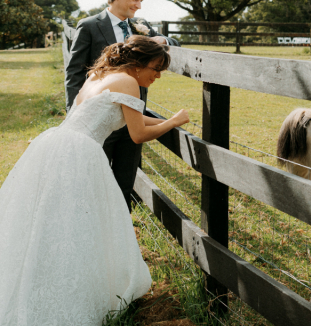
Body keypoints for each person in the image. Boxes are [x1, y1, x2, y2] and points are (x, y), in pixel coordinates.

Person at [0, 36, 190, 325]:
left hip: (57, 143)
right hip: (81, 152)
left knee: (52, 220)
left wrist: (168, 119)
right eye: (155, 68)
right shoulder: (129, 82)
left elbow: (133, 118)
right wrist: (173, 122)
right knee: (75, 223)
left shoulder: (98, 75)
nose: (158, 76)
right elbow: (138, 133)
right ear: (138, 64)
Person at [65, 0, 180, 211]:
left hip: (133, 116)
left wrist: (163, 41)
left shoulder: (141, 27)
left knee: (126, 179)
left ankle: (121, 224)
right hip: (101, 118)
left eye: (141, 0)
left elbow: (174, 43)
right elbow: (75, 73)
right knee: (94, 179)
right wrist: (76, 114)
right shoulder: (90, 26)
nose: (138, 5)